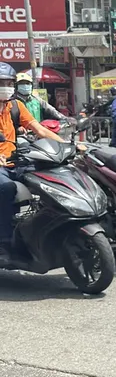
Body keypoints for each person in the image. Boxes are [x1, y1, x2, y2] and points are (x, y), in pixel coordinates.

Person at [0, 64, 64, 259]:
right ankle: (4, 237)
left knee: (48, 178)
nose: (7, 86)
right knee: (7, 188)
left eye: (10, 83)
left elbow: (40, 130)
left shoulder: (16, 106)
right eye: (2, 83)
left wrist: (68, 145)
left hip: (15, 160)